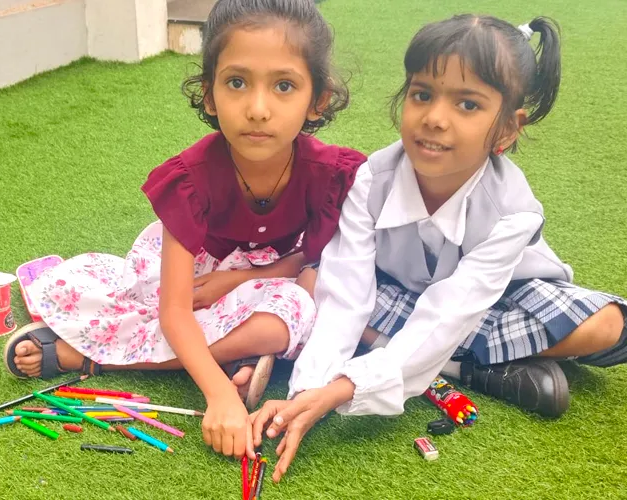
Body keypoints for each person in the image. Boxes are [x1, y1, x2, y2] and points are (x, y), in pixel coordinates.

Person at [250, 14, 627, 482]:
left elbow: (452, 310)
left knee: (607, 325)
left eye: (467, 104)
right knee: (317, 281)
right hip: (398, 292)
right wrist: (308, 388)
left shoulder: (514, 213)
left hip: (501, 298)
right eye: (422, 94)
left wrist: (344, 388)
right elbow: (347, 294)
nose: (434, 118)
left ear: (507, 130)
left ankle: (449, 365)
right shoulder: (372, 179)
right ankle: (474, 368)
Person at [3, 0, 366, 459]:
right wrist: (219, 396)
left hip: (266, 274)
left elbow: (312, 261)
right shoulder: (190, 179)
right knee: (129, 304)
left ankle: (91, 357)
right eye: (237, 82)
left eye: (284, 86)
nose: (258, 109)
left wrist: (239, 278)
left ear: (317, 101)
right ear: (209, 95)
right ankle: (225, 361)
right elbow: (174, 310)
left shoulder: (332, 174)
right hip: (189, 272)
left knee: (294, 310)